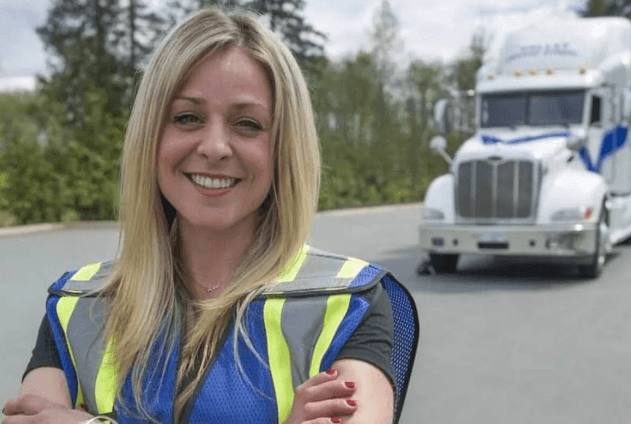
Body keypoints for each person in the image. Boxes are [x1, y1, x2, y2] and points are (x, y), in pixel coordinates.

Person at [3, 7, 418, 424]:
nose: (215, 146)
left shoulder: (348, 303)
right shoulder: (77, 307)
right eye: (187, 118)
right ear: (150, 134)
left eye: (247, 124)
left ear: (283, 150)